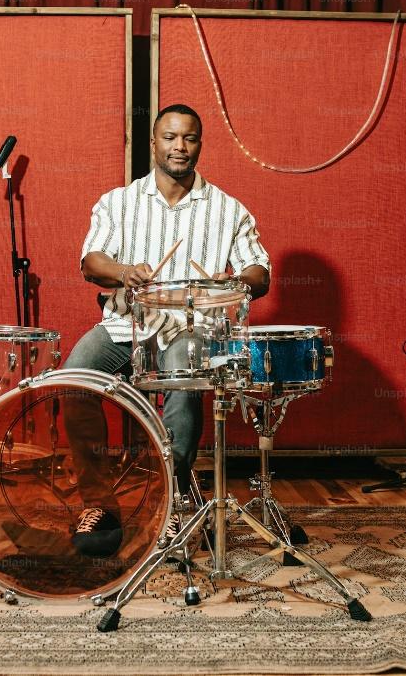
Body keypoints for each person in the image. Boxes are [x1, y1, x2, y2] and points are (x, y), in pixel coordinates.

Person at [61, 103, 271, 557]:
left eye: (189, 138)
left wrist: (232, 281)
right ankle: (100, 503)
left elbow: (260, 272)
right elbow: (90, 263)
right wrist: (123, 271)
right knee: (76, 379)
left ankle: (171, 497)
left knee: (182, 374)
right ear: (154, 143)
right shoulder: (117, 202)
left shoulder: (228, 209)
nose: (179, 146)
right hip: (126, 324)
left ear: (199, 143)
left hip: (191, 329)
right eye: (170, 137)